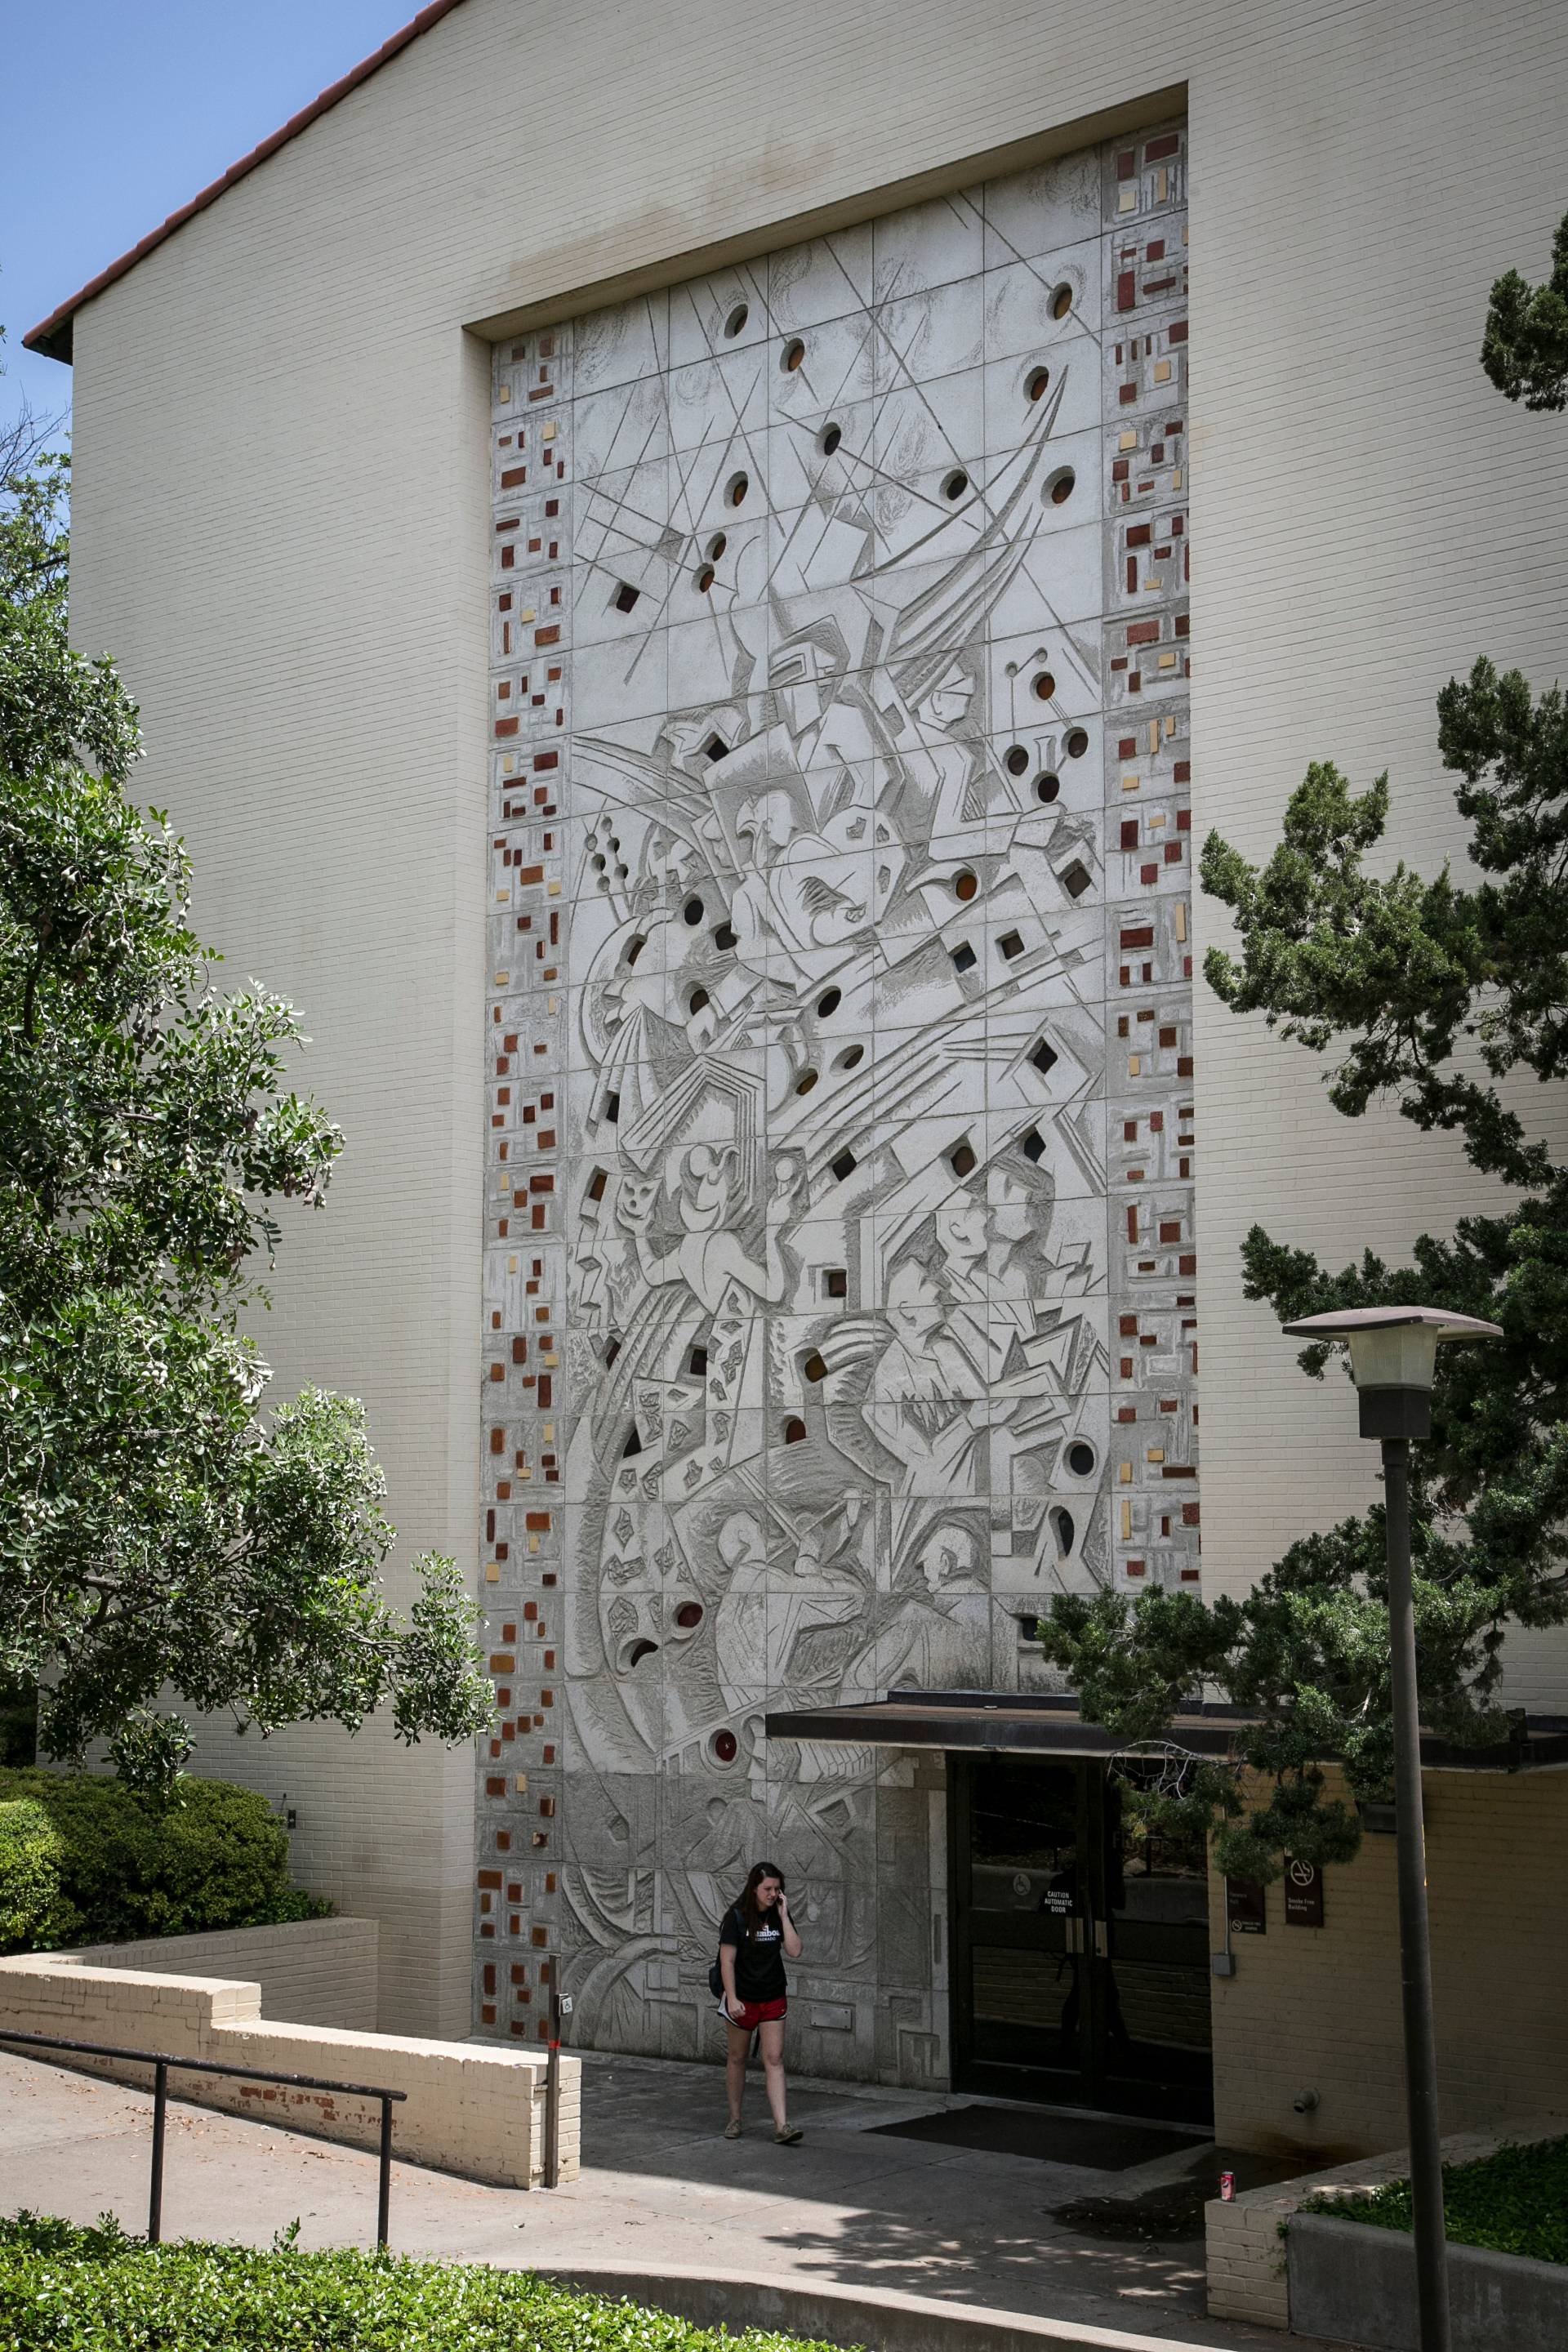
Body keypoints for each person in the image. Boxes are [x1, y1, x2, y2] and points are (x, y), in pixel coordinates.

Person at [718, 1860, 804, 2142]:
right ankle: (734, 2118)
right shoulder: (737, 1917)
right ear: (754, 1887)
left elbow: (794, 1950)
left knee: (774, 2059)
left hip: (772, 1996)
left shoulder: (779, 1914)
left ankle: (781, 2125)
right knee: (737, 2057)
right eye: (767, 1888)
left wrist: (784, 1913)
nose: (772, 1893)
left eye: (777, 1889)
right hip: (742, 1998)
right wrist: (731, 1998)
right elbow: (726, 1961)